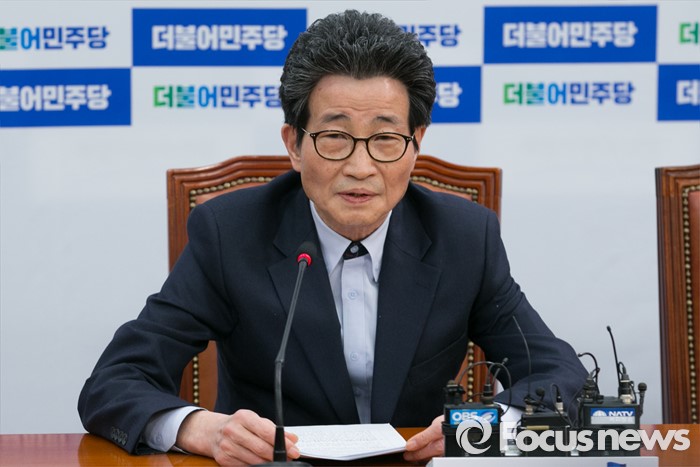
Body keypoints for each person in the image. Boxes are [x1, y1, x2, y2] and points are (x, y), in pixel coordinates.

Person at [78, 9, 588, 465]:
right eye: (335, 137)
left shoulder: (464, 236)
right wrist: (199, 429)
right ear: (294, 145)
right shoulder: (231, 234)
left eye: (385, 138)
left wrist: (486, 426)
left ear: (415, 144)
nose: (361, 167)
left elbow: (558, 373)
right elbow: (114, 382)